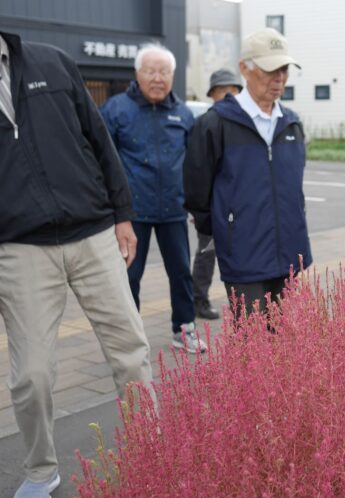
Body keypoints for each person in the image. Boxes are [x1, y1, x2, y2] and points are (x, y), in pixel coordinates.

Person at [0, 31, 153, 498]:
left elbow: (99, 140)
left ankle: (150, 450)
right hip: (19, 246)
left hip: (93, 231)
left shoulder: (53, 62)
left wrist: (122, 214)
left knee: (130, 349)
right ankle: (41, 469)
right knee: (33, 375)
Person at [184, 28, 312, 315]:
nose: (279, 78)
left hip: (289, 251)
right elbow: (196, 193)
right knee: (253, 347)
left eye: (284, 69)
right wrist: (226, 230)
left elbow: (295, 188)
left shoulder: (291, 124)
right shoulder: (215, 124)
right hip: (244, 256)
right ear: (245, 69)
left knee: (287, 344)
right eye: (270, 69)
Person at [100, 43, 206, 352]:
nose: (157, 78)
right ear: (137, 74)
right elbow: (100, 160)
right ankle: (129, 337)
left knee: (181, 273)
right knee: (129, 276)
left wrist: (195, 203)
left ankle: (184, 329)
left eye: (164, 72)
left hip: (173, 208)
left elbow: (195, 163)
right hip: (130, 213)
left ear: (172, 76)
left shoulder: (183, 114)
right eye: (151, 71)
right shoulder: (116, 110)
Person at [190, 69, 243, 320]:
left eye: (234, 90)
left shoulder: (244, 123)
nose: (230, 96)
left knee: (236, 257)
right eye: (224, 91)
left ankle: (243, 304)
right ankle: (199, 300)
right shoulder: (206, 123)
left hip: (239, 208)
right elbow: (197, 173)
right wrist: (201, 213)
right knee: (207, 254)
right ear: (213, 95)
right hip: (213, 208)